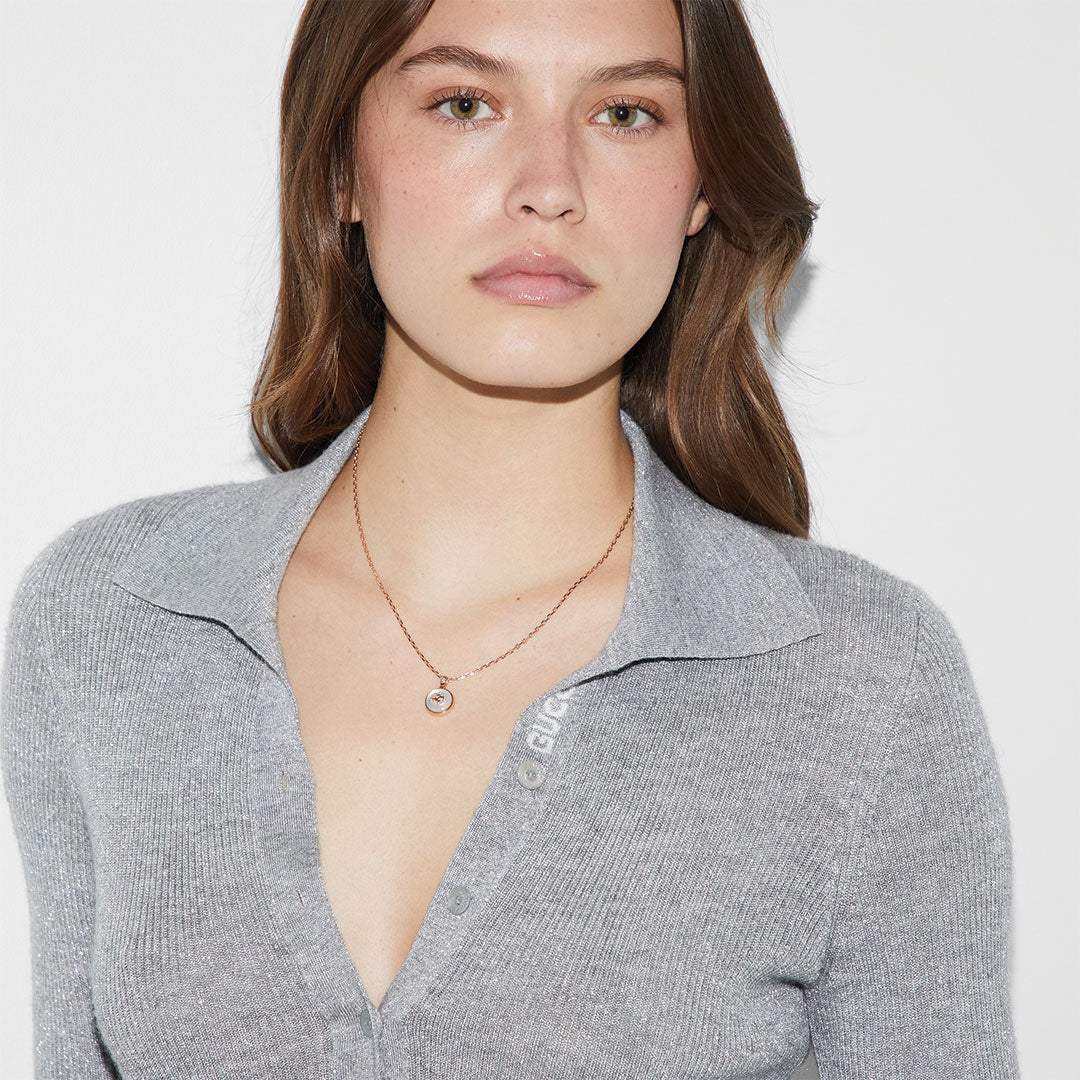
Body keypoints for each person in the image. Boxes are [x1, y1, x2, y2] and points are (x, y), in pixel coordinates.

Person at [1, 0, 1020, 1077]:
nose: (549, 185)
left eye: (625, 113)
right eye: (465, 103)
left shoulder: (862, 681)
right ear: (341, 170)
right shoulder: (114, 619)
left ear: (702, 185)